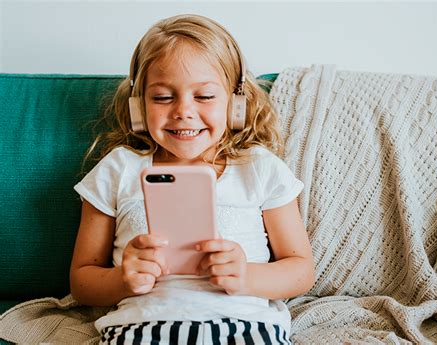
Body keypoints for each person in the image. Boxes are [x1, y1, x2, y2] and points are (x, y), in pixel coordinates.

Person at [70, 14, 315, 344]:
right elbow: (82, 281)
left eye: (204, 96)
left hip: (245, 327)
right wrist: (122, 280)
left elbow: (301, 270)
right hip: (142, 329)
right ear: (139, 105)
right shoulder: (119, 169)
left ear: (235, 103)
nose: (183, 111)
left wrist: (246, 276)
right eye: (162, 97)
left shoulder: (259, 168)